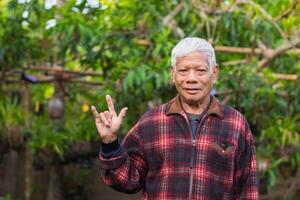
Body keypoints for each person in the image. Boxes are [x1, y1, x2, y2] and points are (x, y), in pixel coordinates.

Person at [91, 37, 259, 199]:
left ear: (214, 73)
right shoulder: (152, 121)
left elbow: (248, 189)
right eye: (183, 71)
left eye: (200, 70)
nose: (191, 79)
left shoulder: (235, 123)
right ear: (173, 74)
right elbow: (127, 181)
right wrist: (110, 142)